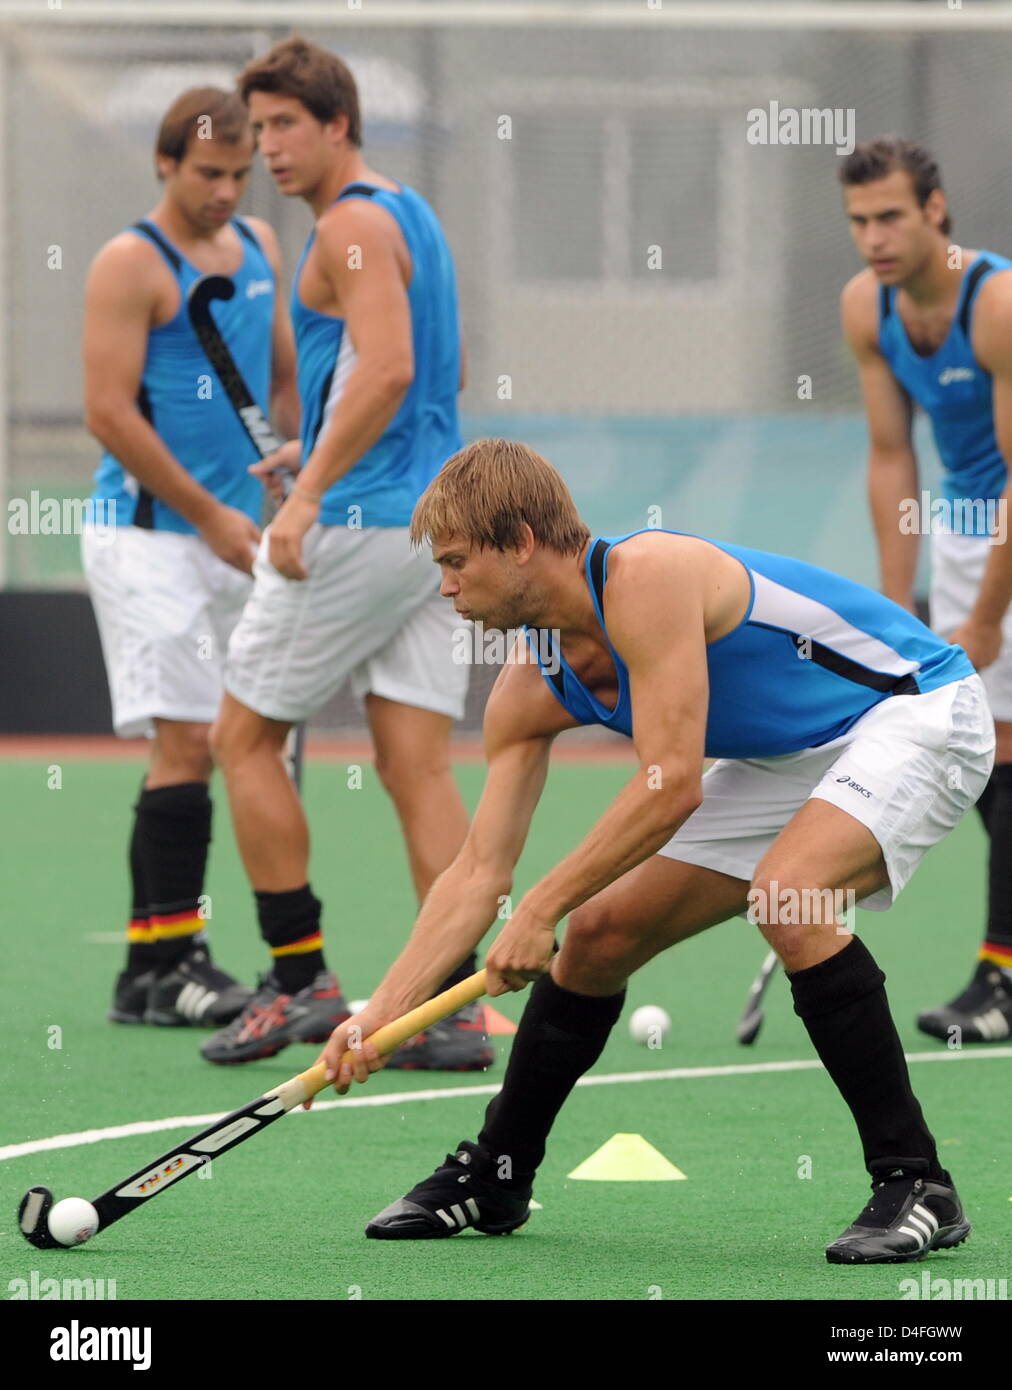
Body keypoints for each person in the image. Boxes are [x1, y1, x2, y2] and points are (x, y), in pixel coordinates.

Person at [313, 438, 994, 1264]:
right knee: (599, 937)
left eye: (458, 562)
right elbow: (475, 871)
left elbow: (671, 784)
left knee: (790, 892)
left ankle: (917, 1180)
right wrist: (378, 1018)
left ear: (521, 539)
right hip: (789, 754)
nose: (446, 585)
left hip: (918, 709)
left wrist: (537, 909)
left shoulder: (650, 575)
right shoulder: (529, 687)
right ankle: (497, 1175)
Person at [204, 38, 490, 1071]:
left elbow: (391, 363)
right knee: (414, 762)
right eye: (257, 127)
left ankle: (296, 982)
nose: (265, 146)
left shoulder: (352, 222)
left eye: (284, 125)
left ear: (337, 124)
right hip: (429, 525)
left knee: (239, 739)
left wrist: (310, 492)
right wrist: (312, 439)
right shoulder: (406, 211)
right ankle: (452, 1001)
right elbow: (389, 384)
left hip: (361, 523)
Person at [82, 87, 298, 1030]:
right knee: (188, 741)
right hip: (149, 538)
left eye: (239, 173)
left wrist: (302, 470)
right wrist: (209, 512)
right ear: (166, 164)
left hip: (235, 535)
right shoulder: (131, 262)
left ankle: (151, 967)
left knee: (238, 739)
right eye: (208, 173)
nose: (225, 190)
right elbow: (108, 410)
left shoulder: (260, 245)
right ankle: (170, 965)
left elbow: (284, 373)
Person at [840, 136, 1012, 1042]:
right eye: (860, 220)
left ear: (935, 211)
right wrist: (893, 604)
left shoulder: (996, 304)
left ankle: (1002, 975)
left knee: (1003, 747)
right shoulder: (868, 308)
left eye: (891, 216)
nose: (874, 236)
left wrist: (985, 616)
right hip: (962, 530)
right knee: (980, 755)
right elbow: (890, 452)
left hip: (1008, 528)